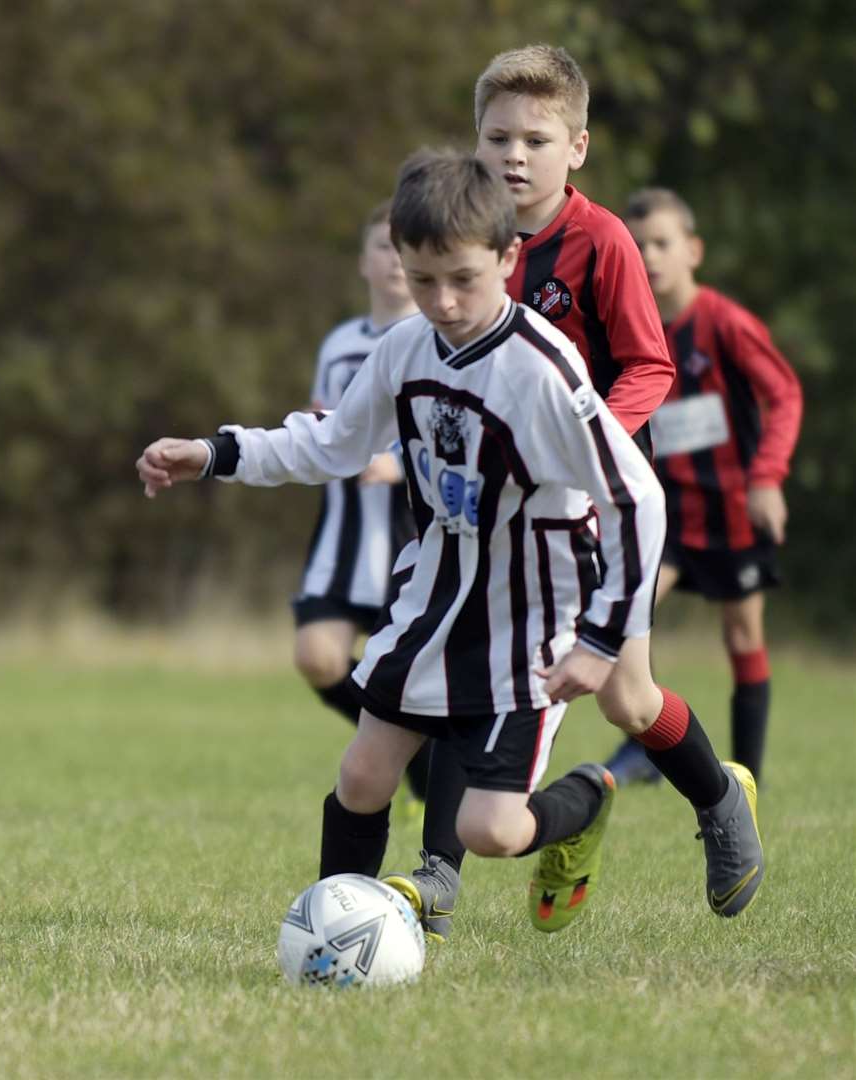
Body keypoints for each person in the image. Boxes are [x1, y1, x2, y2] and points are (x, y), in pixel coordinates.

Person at [139, 149, 651, 937]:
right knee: (362, 774)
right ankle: (329, 938)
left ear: (508, 258)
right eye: (420, 281)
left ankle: (582, 804)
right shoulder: (403, 350)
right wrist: (214, 453)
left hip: (526, 626)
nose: (440, 302)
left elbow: (634, 497)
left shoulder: (544, 371)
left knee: (492, 831)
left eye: (461, 280)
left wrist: (600, 638)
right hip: (433, 599)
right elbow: (332, 445)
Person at [385, 45, 764, 941]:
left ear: (578, 147)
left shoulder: (600, 243)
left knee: (630, 701)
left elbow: (649, 365)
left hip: (592, 507)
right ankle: (438, 874)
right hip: (491, 514)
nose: (514, 155)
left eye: (536, 139)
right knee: (463, 660)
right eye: (496, 136)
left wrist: (582, 437)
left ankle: (718, 804)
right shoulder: (464, 237)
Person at [602, 188, 802, 787]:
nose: (650, 256)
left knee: (742, 634)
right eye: (638, 247)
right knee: (627, 612)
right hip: (664, 513)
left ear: (693, 250)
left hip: (731, 513)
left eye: (662, 243)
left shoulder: (725, 323)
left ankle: (745, 778)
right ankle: (643, 748)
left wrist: (767, 476)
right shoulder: (627, 328)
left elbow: (784, 395)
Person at [293, 200, 426, 803]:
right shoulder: (340, 343)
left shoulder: (431, 335)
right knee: (318, 656)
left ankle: (409, 758)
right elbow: (329, 424)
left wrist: (395, 463)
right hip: (344, 532)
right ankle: (409, 757)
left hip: (409, 530)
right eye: (382, 246)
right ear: (363, 262)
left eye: (405, 248)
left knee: (407, 674)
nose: (394, 260)